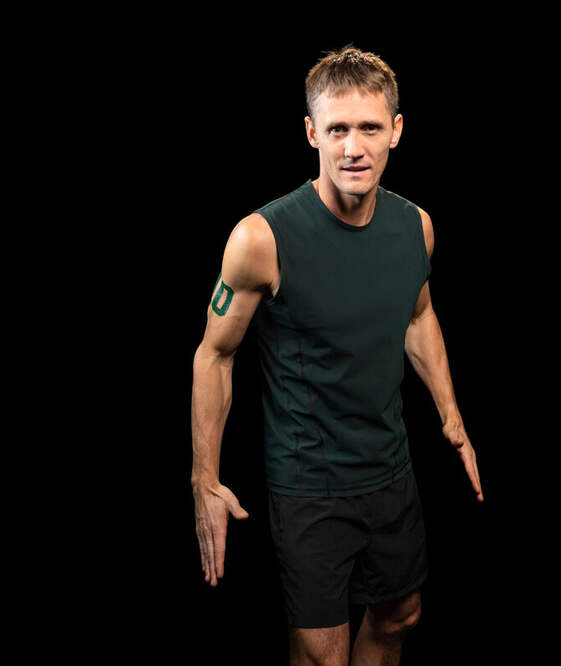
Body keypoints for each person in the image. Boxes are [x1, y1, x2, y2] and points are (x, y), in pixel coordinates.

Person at [191, 44, 483, 665]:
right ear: (311, 133)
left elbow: (419, 315)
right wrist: (204, 479)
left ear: (396, 131)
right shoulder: (260, 238)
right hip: (310, 484)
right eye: (337, 129)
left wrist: (451, 415)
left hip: (391, 468)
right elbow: (213, 355)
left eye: (369, 128)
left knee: (400, 615)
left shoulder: (416, 227)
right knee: (323, 655)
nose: (353, 148)